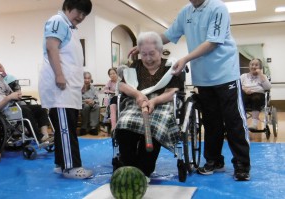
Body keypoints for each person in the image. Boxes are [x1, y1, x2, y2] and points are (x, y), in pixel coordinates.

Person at [129, 0, 250, 181]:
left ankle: (241, 164)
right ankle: (214, 160)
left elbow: (213, 42)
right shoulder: (186, 12)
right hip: (203, 77)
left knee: (233, 120)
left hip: (225, 73)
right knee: (211, 121)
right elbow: (169, 35)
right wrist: (145, 46)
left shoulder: (218, 8)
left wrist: (185, 58)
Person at [116, 32, 183, 179]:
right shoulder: (136, 65)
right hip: (137, 102)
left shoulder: (170, 67)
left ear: (160, 51)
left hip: (162, 103)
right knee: (124, 124)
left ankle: (143, 170)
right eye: (144, 54)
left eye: (152, 54)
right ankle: (129, 167)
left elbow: (172, 92)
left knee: (153, 126)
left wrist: (154, 101)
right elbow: (122, 85)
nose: (147, 58)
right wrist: (138, 95)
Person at [38, 0, 93, 179]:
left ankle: (61, 164)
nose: (81, 17)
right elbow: (51, 47)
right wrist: (59, 75)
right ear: (68, 7)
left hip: (69, 86)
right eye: (79, 12)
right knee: (66, 128)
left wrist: (80, 82)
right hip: (60, 86)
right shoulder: (57, 21)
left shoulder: (70, 28)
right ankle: (71, 167)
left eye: (85, 14)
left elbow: (73, 60)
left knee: (66, 126)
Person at [0, 73, 51, 147]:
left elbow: (10, 92)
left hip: (13, 105)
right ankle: (39, 137)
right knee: (24, 111)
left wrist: (17, 95)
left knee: (40, 108)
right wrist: (8, 98)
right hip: (4, 110)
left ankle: (45, 135)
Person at [241, 58, 271, 130]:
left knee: (256, 98)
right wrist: (244, 89)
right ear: (249, 66)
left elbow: (268, 87)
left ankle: (254, 124)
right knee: (240, 99)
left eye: (256, 65)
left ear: (260, 67)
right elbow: (237, 86)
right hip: (245, 94)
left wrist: (261, 75)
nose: (254, 66)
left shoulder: (263, 76)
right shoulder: (243, 76)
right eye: (252, 64)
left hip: (258, 96)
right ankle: (242, 123)